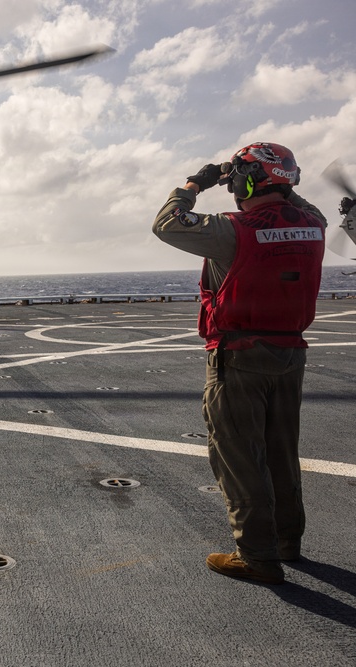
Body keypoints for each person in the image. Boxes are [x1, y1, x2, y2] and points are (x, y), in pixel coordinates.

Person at [153, 142, 326, 585]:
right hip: (290, 355)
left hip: (239, 358)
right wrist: (274, 182)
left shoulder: (233, 230)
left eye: (238, 179)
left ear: (247, 182)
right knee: (281, 454)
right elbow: (296, 205)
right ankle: (288, 542)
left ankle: (257, 557)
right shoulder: (315, 225)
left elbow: (167, 223)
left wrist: (196, 183)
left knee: (239, 457)